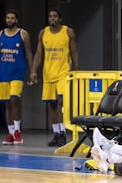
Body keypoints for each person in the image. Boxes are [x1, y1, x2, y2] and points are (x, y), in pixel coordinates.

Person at [31, 9, 79, 147]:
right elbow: (39, 53)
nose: (52, 18)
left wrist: (76, 70)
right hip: (48, 74)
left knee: (62, 102)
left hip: (63, 73)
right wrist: (34, 71)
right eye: (50, 16)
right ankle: (56, 133)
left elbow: (74, 51)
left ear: (60, 19)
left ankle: (63, 132)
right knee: (51, 105)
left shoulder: (68, 32)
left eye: (55, 16)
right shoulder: (43, 33)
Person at [0, 9, 34, 145]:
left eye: (12, 18)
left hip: (17, 73)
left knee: (14, 99)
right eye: (8, 18)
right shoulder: (0, 35)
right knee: (6, 103)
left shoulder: (23, 34)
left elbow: (28, 53)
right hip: (3, 74)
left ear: (16, 20)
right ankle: (11, 133)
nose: (10, 20)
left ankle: (18, 131)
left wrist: (32, 71)